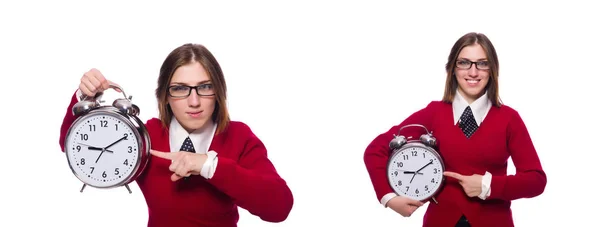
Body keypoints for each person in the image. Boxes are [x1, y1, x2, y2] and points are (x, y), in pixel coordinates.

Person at [58, 43, 294, 227]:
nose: (194, 101)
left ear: (219, 91)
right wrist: (84, 96)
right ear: (165, 96)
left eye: (205, 87)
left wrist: (209, 166)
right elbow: (72, 146)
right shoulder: (145, 135)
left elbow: (279, 207)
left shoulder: (237, 136)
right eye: (180, 89)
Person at [363, 32, 546, 227]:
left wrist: (488, 186)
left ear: (492, 69)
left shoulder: (509, 119)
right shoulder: (434, 113)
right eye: (464, 63)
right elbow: (376, 150)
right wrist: (389, 197)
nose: (473, 72)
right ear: (452, 69)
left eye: (482, 63)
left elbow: (536, 180)